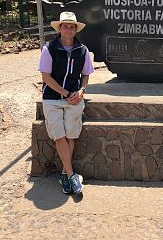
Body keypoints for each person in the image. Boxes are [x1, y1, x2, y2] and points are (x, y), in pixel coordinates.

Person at [38, 11, 94, 195]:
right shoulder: (49, 49)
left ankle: (63, 174)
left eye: (72, 27)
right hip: (53, 98)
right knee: (59, 136)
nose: (68, 29)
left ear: (76, 30)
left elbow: (85, 75)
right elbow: (45, 76)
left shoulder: (83, 50)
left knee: (71, 135)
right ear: (59, 28)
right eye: (65, 26)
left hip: (74, 98)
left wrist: (81, 91)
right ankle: (71, 175)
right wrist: (64, 93)